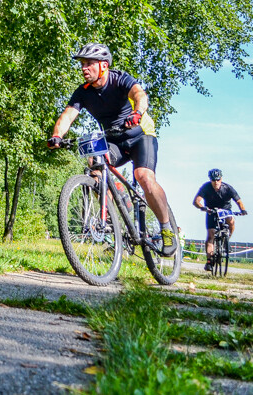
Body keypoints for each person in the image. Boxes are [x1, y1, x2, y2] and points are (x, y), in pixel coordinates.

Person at [47, 43, 176, 256]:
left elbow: (139, 95)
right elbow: (67, 116)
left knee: (143, 176)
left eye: (89, 64)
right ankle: (111, 218)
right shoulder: (83, 92)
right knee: (95, 164)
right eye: (82, 64)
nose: (84, 68)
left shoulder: (119, 79)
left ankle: (166, 228)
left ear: (104, 66)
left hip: (140, 135)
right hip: (113, 141)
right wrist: (57, 136)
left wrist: (138, 112)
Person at [193, 168, 248, 271]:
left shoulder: (227, 188)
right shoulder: (206, 187)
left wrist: (243, 210)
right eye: (213, 180)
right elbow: (196, 201)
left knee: (231, 221)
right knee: (210, 236)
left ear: (221, 179)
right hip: (211, 211)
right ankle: (209, 261)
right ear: (210, 180)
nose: (216, 182)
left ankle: (226, 240)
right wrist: (202, 207)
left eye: (218, 180)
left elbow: (239, 201)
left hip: (225, 210)